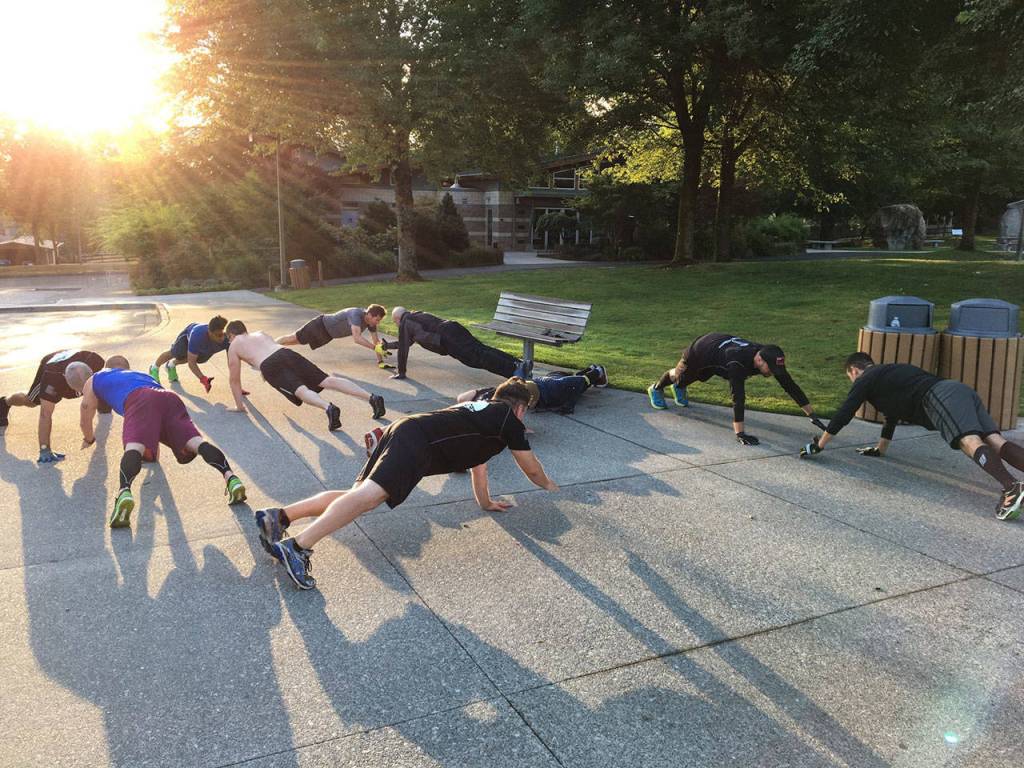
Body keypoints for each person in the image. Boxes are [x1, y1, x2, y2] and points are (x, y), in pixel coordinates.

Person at [253, 378, 558, 589]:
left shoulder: (483, 413)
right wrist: (552, 487)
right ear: (520, 408)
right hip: (418, 441)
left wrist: (486, 502)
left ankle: (279, 517)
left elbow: (478, 466)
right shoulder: (508, 419)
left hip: (404, 429)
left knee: (358, 496)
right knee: (368, 498)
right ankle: (297, 547)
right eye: (526, 412)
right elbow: (531, 468)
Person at [799, 352, 1024, 520]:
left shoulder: (866, 378)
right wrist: (881, 448)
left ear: (854, 371)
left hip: (938, 396)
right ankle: (1013, 486)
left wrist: (819, 445)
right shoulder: (888, 375)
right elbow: (891, 415)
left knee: (969, 442)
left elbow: (844, 413)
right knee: (996, 441)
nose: (853, 382)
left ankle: (1012, 488)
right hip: (960, 390)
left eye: (851, 377)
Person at [72, 356, 247, 529]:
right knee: (196, 442)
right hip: (169, 398)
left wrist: (89, 438)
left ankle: (124, 492)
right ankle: (231, 478)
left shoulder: (96, 378)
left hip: (139, 399)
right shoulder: (139, 374)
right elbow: (155, 420)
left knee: (134, 447)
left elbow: (85, 415)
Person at [647, 333, 821, 445]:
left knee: (700, 377)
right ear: (759, 360)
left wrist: (812, 416)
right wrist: (740, 433)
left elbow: (790, 386)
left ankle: (680, 387)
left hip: (717, 352)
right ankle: (656, 388)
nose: (773, 373)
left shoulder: (768, 355)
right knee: (679, 375)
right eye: (771, 369)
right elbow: (738, 396)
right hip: (700, 350)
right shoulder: (737, 363)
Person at [225, 320, 386, 430]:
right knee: (326, 380)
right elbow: (267, 350)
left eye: (229, 338)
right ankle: (372, 397)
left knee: (300, 390)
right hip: (284, 352)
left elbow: (234, 380)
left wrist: (240, 406)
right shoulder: (260, 333)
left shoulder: (234, 345)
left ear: (231, 335)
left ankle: (328, 408)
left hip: (269, 365)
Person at [0, 349, 105, 463]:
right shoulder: (52, 378)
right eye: (80, 391)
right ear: (66, 380)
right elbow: (45, 415)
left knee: (96, 391)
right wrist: (44, 449)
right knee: (31, 401)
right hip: (52, 365)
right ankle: (4, 402)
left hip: (74, 360)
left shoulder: (96, 361)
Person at [383, 306, 528, 381]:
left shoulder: (405, 322)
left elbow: (403, 349)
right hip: (453, 327)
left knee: (476, 358)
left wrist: (401, 372)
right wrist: (387, 346)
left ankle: (514, 371)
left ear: (397, 319)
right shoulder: (415, 316)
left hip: (447, 337)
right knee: (481, 350)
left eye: (394, 322)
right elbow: (405, 343)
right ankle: (518, 364)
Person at [456, 364, 608, 415]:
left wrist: (569, 406)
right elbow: (461, 399)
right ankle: (589, 372)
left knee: (580, 382)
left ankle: (597, 370)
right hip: (543, 384)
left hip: (551, 387)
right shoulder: (501, 392)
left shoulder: (555, 389)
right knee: (567, 380)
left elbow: (577, 383)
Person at [276, 304, 392, 368]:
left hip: (328, 334)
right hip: (320, 325)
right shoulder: (355, 314)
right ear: (369, 314)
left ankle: (272, 348)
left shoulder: (371, 323)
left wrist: (380, 362)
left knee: (299, 342)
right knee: (293, 338)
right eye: (377, 319)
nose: (377, 322)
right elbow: (356, 338)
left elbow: (377, 343)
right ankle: (270, 345)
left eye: (379, 320)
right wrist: (374, 348)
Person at [149, 315, 230, 392]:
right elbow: (191, 363)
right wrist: (203, 379)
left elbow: (232, 363)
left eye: (223, 334)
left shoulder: (228, 339)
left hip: (204, 345)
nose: (222, 338)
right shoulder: (197, 336)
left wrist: (237, 385)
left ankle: (171, 365)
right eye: (218, 335)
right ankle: (154, 368)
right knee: (174, 353)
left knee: (199, 359)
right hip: (186, 338)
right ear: (209, 332)